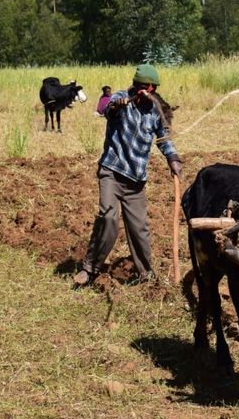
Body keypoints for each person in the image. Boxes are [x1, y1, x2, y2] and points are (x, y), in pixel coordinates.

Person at [74, 64, 182, 287]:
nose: (144, 93)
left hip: (136, 181)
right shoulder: (121, 99)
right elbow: (108, 110)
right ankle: (90, 268)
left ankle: (146, 275)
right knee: (108, 218)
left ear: (152, 89)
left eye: (148, 89)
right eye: (140, 88)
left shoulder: (155, 110)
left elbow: (164, 139)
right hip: (112, 172)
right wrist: (117, 106)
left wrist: (173, 158)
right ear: (135, 87)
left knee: (139, 229)